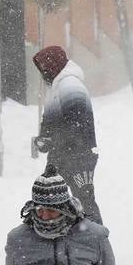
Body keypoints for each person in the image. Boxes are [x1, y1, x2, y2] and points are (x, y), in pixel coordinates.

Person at [32, 45, 101, 224]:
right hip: (61, 155)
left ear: (54, 66)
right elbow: (51, 125)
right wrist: (44, 140)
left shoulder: (71, 85)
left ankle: (96, 243)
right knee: (49, 201)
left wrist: (58, 140)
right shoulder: (55, 89)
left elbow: (78, 125)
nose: (44, 72)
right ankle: (58, 239)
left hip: (78, 155)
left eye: (45, 68)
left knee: (84, 202)